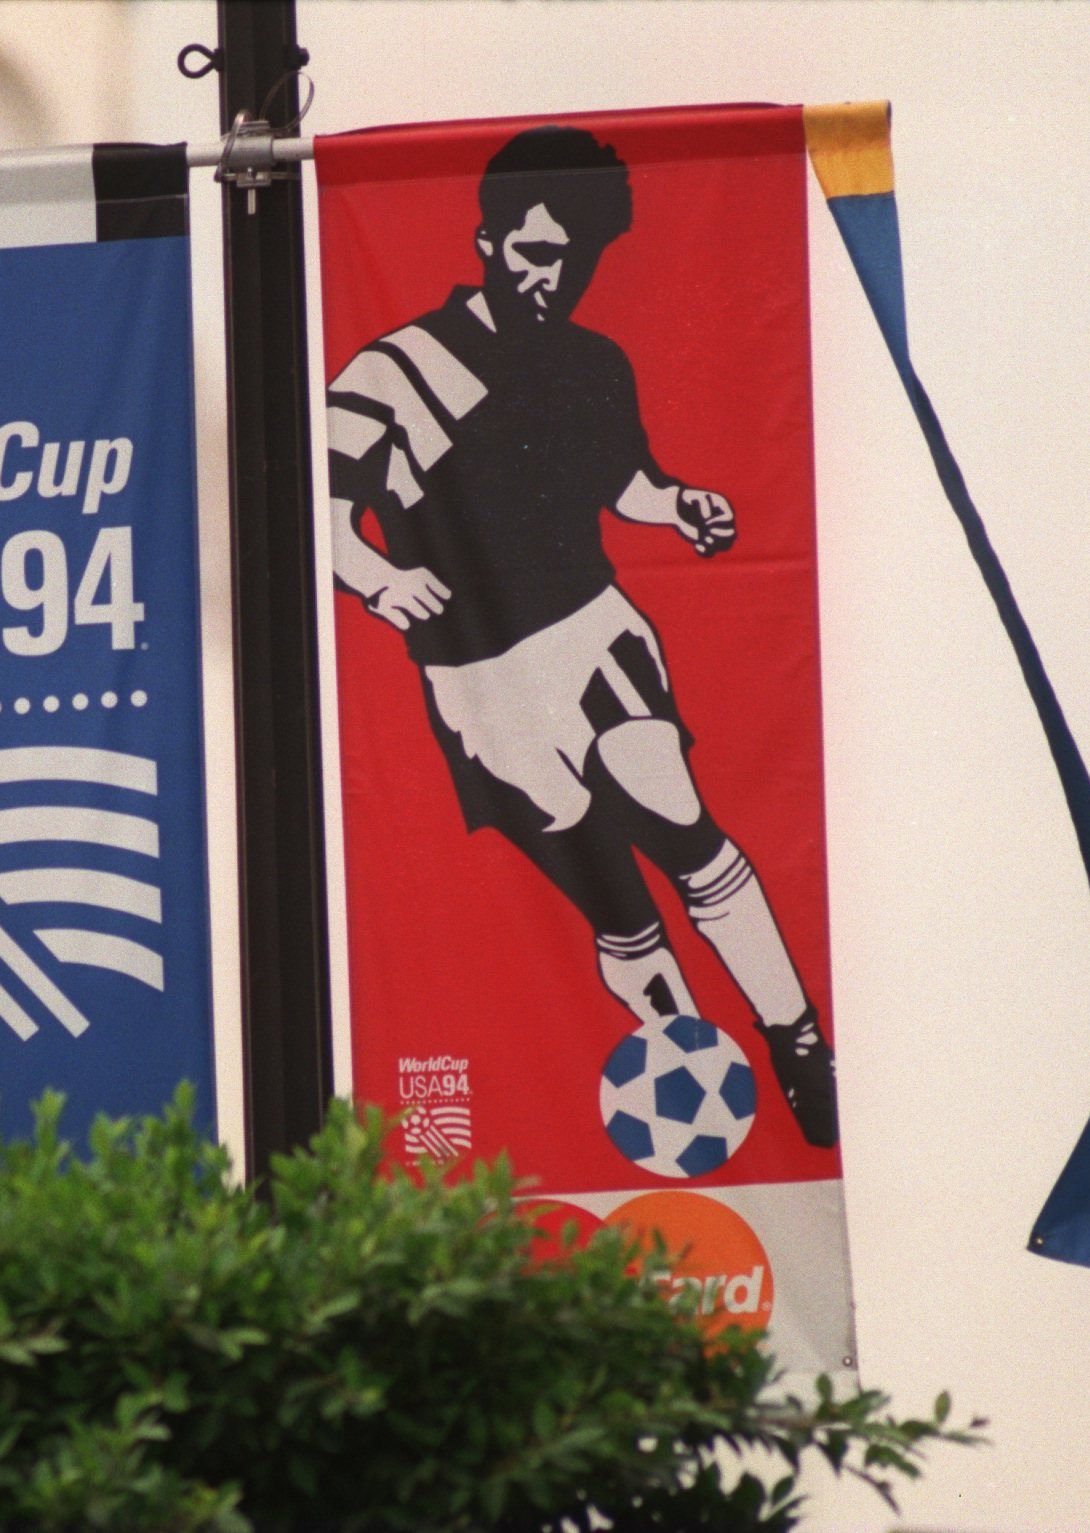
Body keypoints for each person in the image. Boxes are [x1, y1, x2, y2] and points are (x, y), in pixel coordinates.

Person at [325, 124, 838, 1148]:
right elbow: (322, 514)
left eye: (574, 260)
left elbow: (622, 483)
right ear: (486, 239)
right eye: (534, 253)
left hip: (588, 626)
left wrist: (676, 502)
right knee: (612, 897)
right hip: (479, 686)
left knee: (665, 794)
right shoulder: (392, 373)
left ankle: (792, 1032)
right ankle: (691, 1054)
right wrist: (380, 581)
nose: (551, 280)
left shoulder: (592, 364)